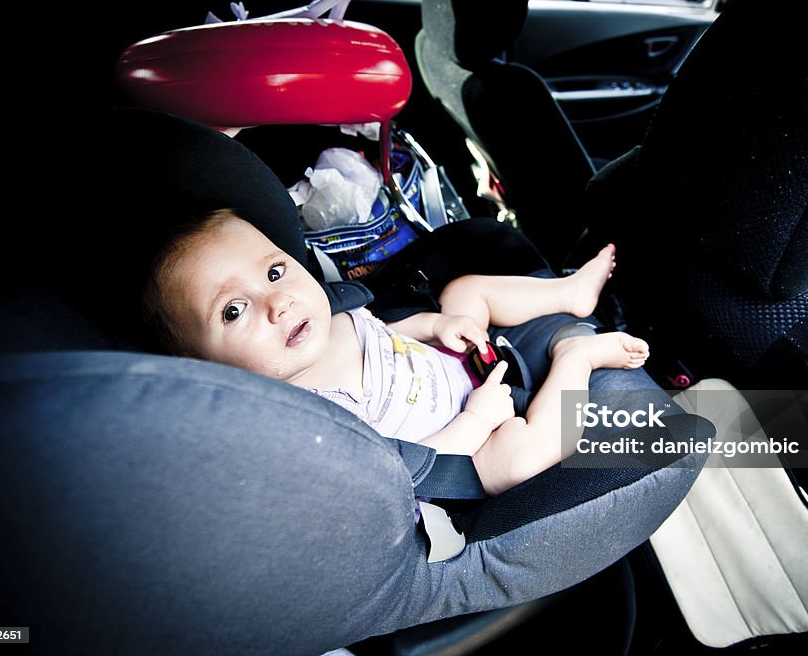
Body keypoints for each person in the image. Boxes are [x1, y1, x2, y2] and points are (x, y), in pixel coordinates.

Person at [144, 208, 650, 495]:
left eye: (275, 272)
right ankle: (576, 361)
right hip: (467, 443)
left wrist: (436, 324)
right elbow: (405, 474)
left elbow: (385, 332)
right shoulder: (316, 420)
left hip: (460, 363)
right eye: (234, 311)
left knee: (464, 292)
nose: (277, 303)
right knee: (523, 457)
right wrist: (477, 421)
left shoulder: (326, 322)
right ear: (207, 371)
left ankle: (568, 295)